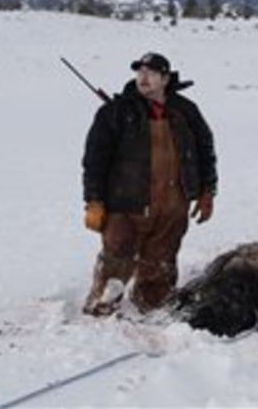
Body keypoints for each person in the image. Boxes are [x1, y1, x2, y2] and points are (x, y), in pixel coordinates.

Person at [80, 52, 218, 316]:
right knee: (117, 256)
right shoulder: (115, 112)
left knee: (162, 259)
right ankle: (102, 307)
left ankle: (154, 306)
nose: (143, 77)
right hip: (125, 202)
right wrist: (94, 200)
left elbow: (205, 150)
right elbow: (94, 160)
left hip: (173, 202)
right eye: (139, 71)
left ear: (165, 78)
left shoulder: (185, 110)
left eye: (151, 72)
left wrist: (207, 191)